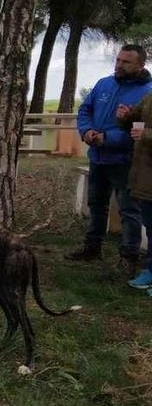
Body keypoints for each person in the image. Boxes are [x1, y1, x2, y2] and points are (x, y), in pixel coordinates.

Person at [67, 44, 152, 276]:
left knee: (128, 211)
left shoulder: (147, 92)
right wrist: (86, 132)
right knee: (96, 205)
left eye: (126, 62)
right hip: (97, 156)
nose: (119, 65)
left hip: (125, 161)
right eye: (118, 60)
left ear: (140, 65)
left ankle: (129, 256)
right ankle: (92, 247)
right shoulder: (104, 84)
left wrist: (108, 138)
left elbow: (140, 131)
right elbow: (85, 110)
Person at [116, 91, 152, 293]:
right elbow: (133, 121)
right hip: (146, 176)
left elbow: (143, 132)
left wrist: (146, 134)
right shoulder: (150, 96)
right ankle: (150, 272)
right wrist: (125, 116)